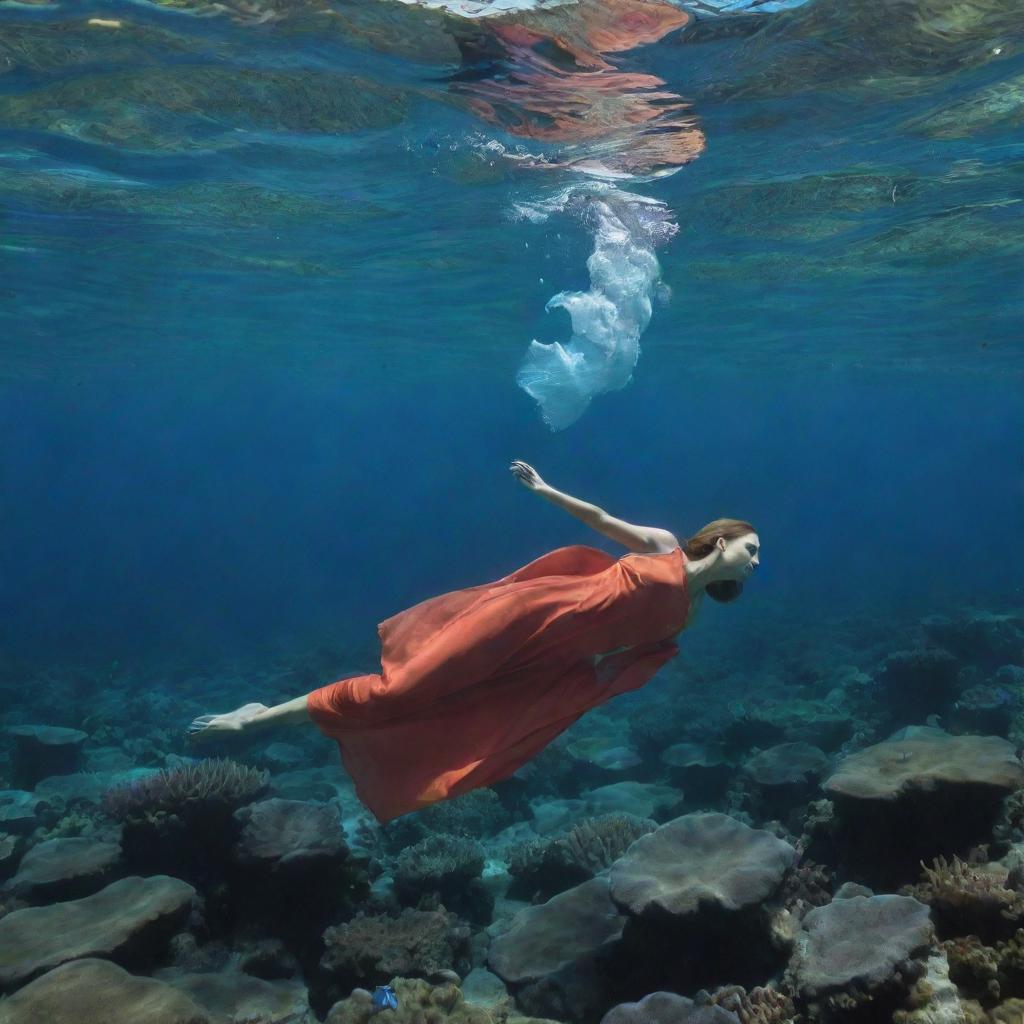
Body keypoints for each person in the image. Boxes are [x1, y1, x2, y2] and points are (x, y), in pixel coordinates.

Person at [188, 460, 759, 822]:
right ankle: (254, 721)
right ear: (723, 539)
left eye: (757, 556)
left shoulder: (690, 616)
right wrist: (543, 488)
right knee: (400, 690)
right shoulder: (663, 548)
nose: (755, 561)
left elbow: (618, 666)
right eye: (750, 548)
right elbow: (600, 518)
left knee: (455, 713)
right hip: (521, 616)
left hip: (544, 663)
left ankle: (269, 719)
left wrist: (560, 699)